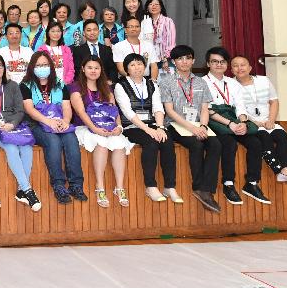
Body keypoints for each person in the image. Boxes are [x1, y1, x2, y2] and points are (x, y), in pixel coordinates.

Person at [160, 45, 222, 212]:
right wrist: (193, 129)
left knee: (216, 144)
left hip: (198, 124)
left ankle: (207, 189)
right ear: (174, 62)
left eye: (188, 58)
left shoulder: (201, 81)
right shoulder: (166, 82)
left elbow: (204, 108)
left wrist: (202, 125)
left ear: (193, 60)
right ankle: (198, 186)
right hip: (175, 125)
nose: (184, 61)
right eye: (180, 58)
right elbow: (169, 111)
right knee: (197, 144)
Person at [203, 47, 268, 204]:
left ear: (227, 64)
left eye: (222, 61)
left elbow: (240, 106)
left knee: (255, 143)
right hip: (215, 120)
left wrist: (243, 122)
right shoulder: (202, 82)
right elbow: (206, 110)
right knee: (229, 143)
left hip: (234, 119)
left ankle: (251, 183)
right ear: (207, 64)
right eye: (214, 61)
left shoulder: (232, 83)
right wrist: (229, 124)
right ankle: (228, 184)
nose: (219, 65)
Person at [23, 51, 84, 204]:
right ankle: (59, 185)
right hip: (36, 124)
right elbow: (29, 109)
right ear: (32, 67)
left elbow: (66, 107)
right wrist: (48, 122)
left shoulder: (60, 84)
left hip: (58, 121)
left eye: (45, 65)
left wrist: (66, 121)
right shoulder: (25, 86)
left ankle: (76, 185)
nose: (42, 68)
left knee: (71, 139)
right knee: (53, 141)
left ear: (50, 66)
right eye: (38, 65)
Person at [114, 53, 177, 203]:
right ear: (126, 69)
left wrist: (160, 127)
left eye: (140, 64)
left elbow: (158, 108)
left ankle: (170, 186)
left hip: (152, 124)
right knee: (150, 141)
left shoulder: (152, 84)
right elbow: (128, 112)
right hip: (131, 126)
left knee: (167, 139)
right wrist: (148, 130)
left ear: (145, 66)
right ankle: (150, 186)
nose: (137, 67)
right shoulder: (120, 86)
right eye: (132, 65)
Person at [70, 57, 132, 208]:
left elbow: (114, 110)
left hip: (108, 126)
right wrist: (95, 129)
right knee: (101, 144)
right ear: (83, 69)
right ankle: (100, 187)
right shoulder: (75, 87)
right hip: (85, 127)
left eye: (96, 68)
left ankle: (119, 187)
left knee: (119, 144)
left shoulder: (106, 88)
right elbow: (81, 112)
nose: (93, 71)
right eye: (90, 67)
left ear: (100, 70)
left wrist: (118, 126)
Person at [0, 54, 40, 210]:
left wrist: (12, 124)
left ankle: (23, 189)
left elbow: (20, 111)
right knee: (11, 147)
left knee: (27, 147)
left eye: (0, 65)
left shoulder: (13, 86)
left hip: (13, 128)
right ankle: (27, 189)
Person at [232, 55, 287, 182]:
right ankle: (279, 170)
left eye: (243, 65)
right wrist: (254, 123)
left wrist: (271, 120)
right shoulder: (231, 85)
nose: (239, 68)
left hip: (268, 120)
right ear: (231, 69)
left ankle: (286, 169)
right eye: (235, 65)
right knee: (264, 138)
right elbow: (236, 110)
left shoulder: (263, 80)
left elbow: (274, 101)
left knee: (282, 136)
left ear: (250, 67)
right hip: (251, 123)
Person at [141, 0, 176, 75]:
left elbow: (170, 43)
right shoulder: (144, 22)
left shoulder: (168, 21)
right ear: (147, 8)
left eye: (156, 4)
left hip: (163, 60)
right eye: (151, 4)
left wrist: (166, 59)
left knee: (166, 83)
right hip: (147, 60)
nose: (153, 6)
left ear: (161, 7)